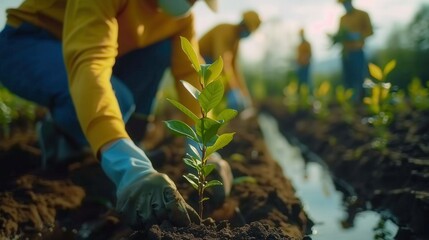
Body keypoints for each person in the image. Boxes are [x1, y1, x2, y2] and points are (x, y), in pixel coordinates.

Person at [0, 0, 232, 229]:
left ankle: (123, 145)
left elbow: (190, 74)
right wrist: (128, 166)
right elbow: (89, 67)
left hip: (99, 47)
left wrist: (204, 145)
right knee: (117, 99)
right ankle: (64, 139)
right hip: (30, 41)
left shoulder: (182, 18)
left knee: (163, 48)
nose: (189, 3)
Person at [199, 10, 261, 112]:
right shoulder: (224, 30)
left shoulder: (235, 42)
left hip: (211, 64)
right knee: (211, 96)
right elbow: (220, 63)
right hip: (200, 62)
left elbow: (234, 68)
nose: (248, 33)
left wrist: (244, 93)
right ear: (243, 25)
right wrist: (232, 90)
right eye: (248, 30)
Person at [331, 0, 373, 102]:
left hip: (358, 51)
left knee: (359, 77)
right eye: (343, 4)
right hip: (346, 53)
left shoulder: (363, 14)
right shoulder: (342, 18)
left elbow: (370, 31)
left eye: (346, 2)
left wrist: (358, 35)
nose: (345, 5)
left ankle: (361, 100)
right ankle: (350, 101)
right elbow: (340, 34)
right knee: (347, 78)